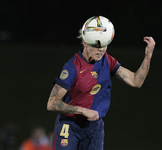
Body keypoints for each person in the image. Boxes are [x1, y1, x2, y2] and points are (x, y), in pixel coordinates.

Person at [47, 17, 155, 150]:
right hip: (70, 126)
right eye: (96, 46)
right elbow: (52, 103)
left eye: (104, 44)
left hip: (94, 128)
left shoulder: (107, 61)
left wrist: (148, 55)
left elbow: (135, 81)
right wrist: (83, 111)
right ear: (85, 43)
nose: (101, 50)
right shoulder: (72, 67)